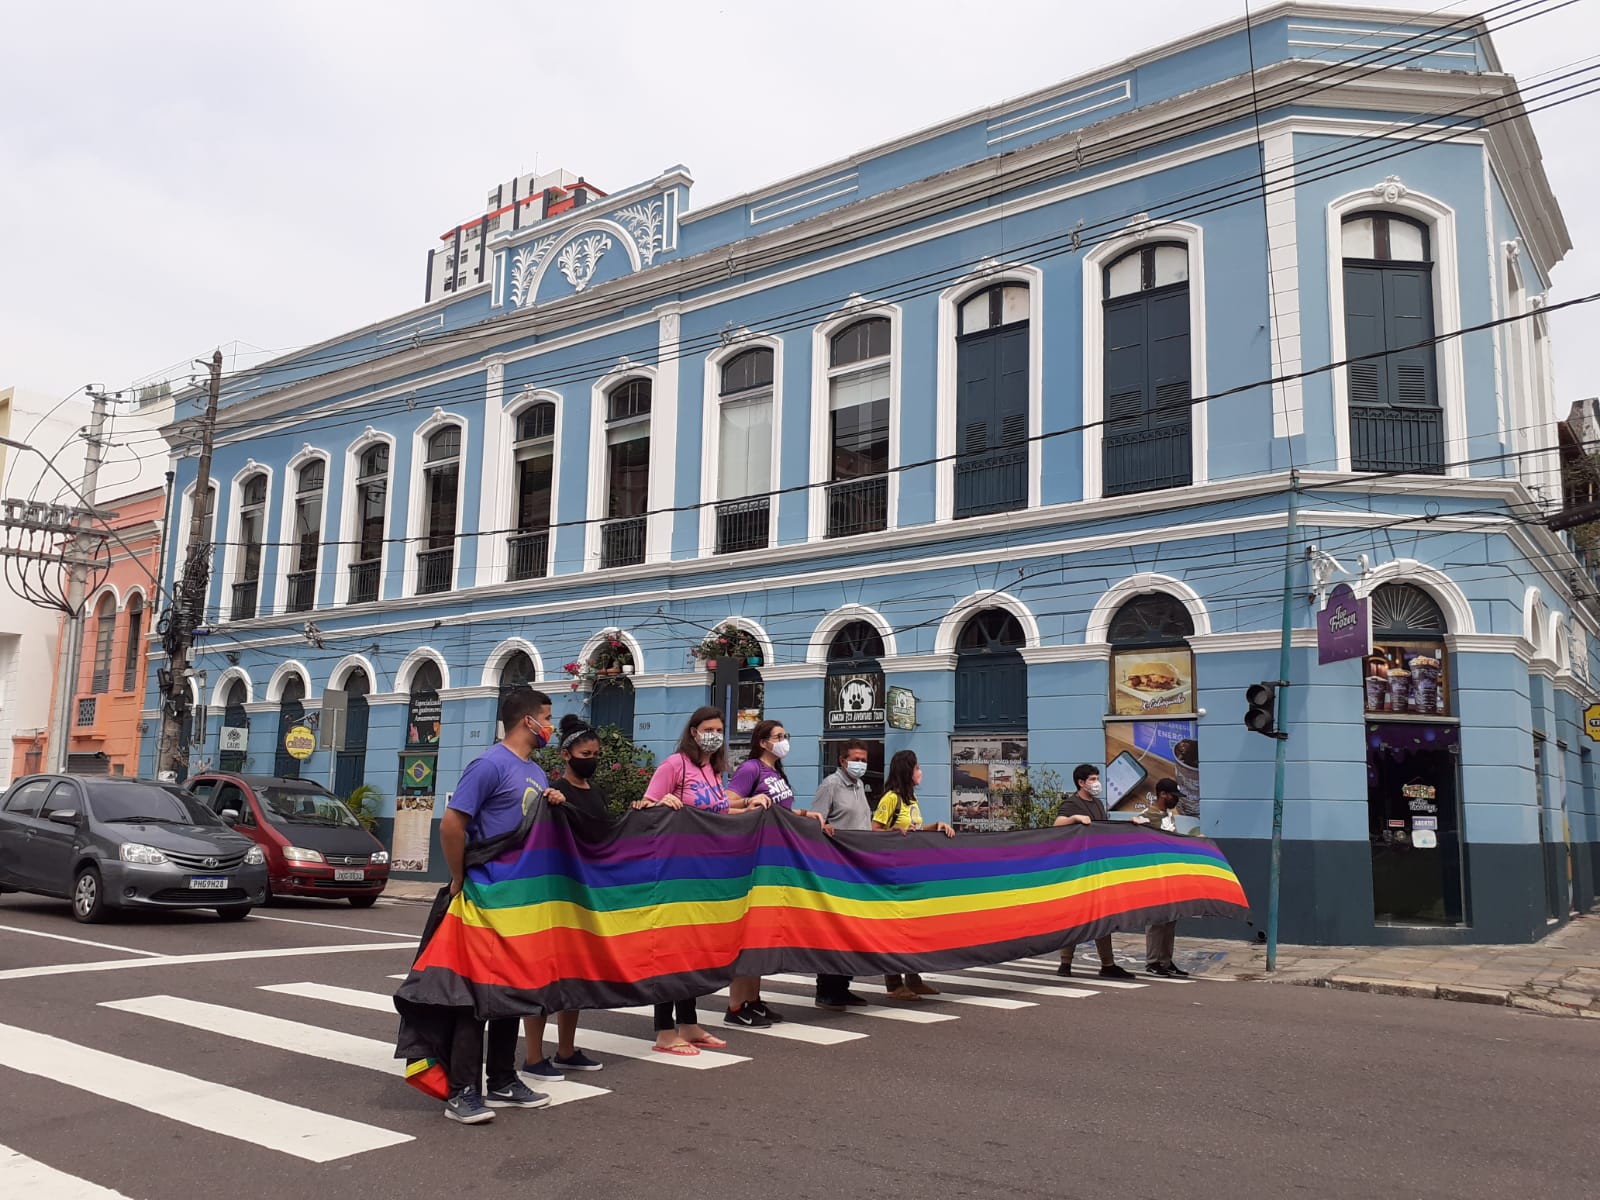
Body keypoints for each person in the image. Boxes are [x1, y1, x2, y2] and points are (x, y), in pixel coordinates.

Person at [437, 688, 559, 1124]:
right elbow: (453, 822)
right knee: (476, 995)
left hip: (521, 902)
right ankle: (462, 1091)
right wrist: (459, 877)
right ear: (528, 721)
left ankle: (503, 1078)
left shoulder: (536, 772)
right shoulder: (489, 764)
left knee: (511, 990)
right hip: (485, 896)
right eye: (547, 716)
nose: (551, 725)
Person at [636, 707, 738, 1050]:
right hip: (675, 873)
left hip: (704, 873)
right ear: (693, 732)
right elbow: (646, 808)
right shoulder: (674, 765)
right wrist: (661, 802)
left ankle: (689, 1023)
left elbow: (716, 812)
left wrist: (748, 805)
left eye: (720, 728)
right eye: (708, 728)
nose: (715, 733)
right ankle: (665, 1030)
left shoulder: (712, 769)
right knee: (672, 948)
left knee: (693, 948)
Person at [521, 715, 612, 1082]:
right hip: (555, 897)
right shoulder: (554, 793)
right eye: (585, 752)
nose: (591, 758)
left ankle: (566, 1050)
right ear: (566, 755)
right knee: (545, 975)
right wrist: (551, 801)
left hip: (586, 896)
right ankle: (532, 1056)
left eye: (595, 753)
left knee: (575, 975)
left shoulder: (597, 793)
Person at [723, 719, 814, 1026]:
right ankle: (736, 1006)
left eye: (785, 735)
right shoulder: (751, 768)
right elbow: (729, 800)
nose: (784, 740)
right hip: (754, 857)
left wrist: (803, 814)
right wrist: (750, 801)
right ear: (763, 742)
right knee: (749, 932)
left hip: (774, 860)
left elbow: (780, 810)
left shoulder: (776, 773)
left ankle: (754, 999)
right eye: (778, 736)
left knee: (762, 933)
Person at [872, 750, 955, 1000]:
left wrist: (935, 827)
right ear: (907, 771)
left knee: (913, 926)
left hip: (912, 871)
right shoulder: (891, 799)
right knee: (895, 927)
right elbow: (875, 830)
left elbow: (914, 829)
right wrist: (894, 831)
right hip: (893, 873)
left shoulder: (912, 799)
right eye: (917, 768)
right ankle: (894, 983)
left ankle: (914, 977)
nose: (921, 773)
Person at [803, 740, 876, 1010]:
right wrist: (826, 827)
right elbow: (816, 820)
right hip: (836, 866)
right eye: (856, 758)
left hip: (858, 865)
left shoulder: (858, 787)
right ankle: (827, 988)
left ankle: (843, 985)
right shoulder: (830, 785)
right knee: (836, 929)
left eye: (864, 759)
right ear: (843, 761)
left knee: (854, 928)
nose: (861, 764)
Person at [1052, 763, 1137, 981]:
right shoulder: (1072, 804)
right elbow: (1057, 824)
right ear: (1081, 783)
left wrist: (1129, 824)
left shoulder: (1098, 804)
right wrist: (1075, 819)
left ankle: (1107, 964)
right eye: (1092, 779)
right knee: (1074, 914)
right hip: (1077, 867)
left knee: (1102, 916)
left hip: (1097, 867)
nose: (1096, 783)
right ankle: (1065, 962)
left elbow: (1105, 830)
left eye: (1097, 778)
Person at [1143, 777, 1190, 978]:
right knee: (1156, 921)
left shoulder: (1168, 815)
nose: (1176, 800)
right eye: (1173, 796)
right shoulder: (1146, 817)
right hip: (1155, 876)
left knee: (1171, 919)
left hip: (1170, 875)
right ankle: (1153, 961)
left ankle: (1166, 960)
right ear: (1162, 794)